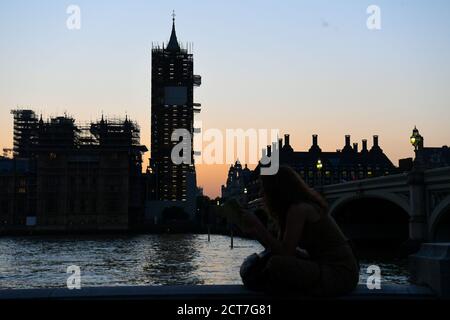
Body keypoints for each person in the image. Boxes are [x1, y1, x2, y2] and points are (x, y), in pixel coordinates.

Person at [238, 165, 359, 297]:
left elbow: (285, 253)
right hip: (327, 268)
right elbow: (278, 248)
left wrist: (257, 224)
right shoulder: (294, 209)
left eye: (264, 188)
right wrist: (254, 230)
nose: (261, 193)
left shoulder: (299, 209)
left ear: (276, 189)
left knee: (275, 264)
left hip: (339, 273)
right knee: (272, 261)